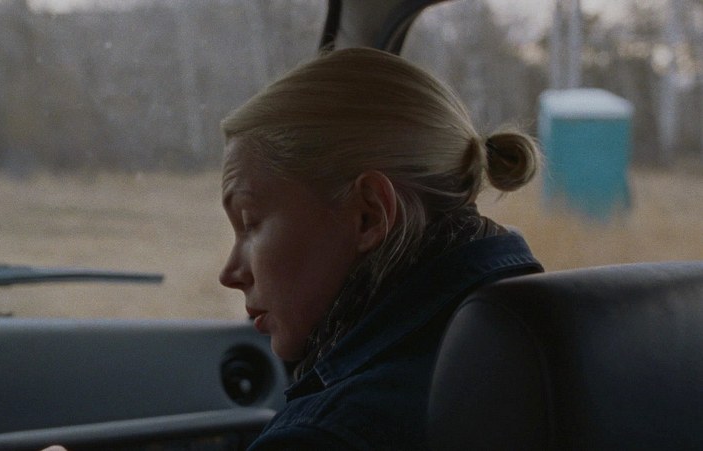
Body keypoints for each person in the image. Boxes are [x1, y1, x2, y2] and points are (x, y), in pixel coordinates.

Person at [219, 47, 543, 450]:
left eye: (250, 223)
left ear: (369, 216)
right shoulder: (537, 343)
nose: (230, 274)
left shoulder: (325, 436)